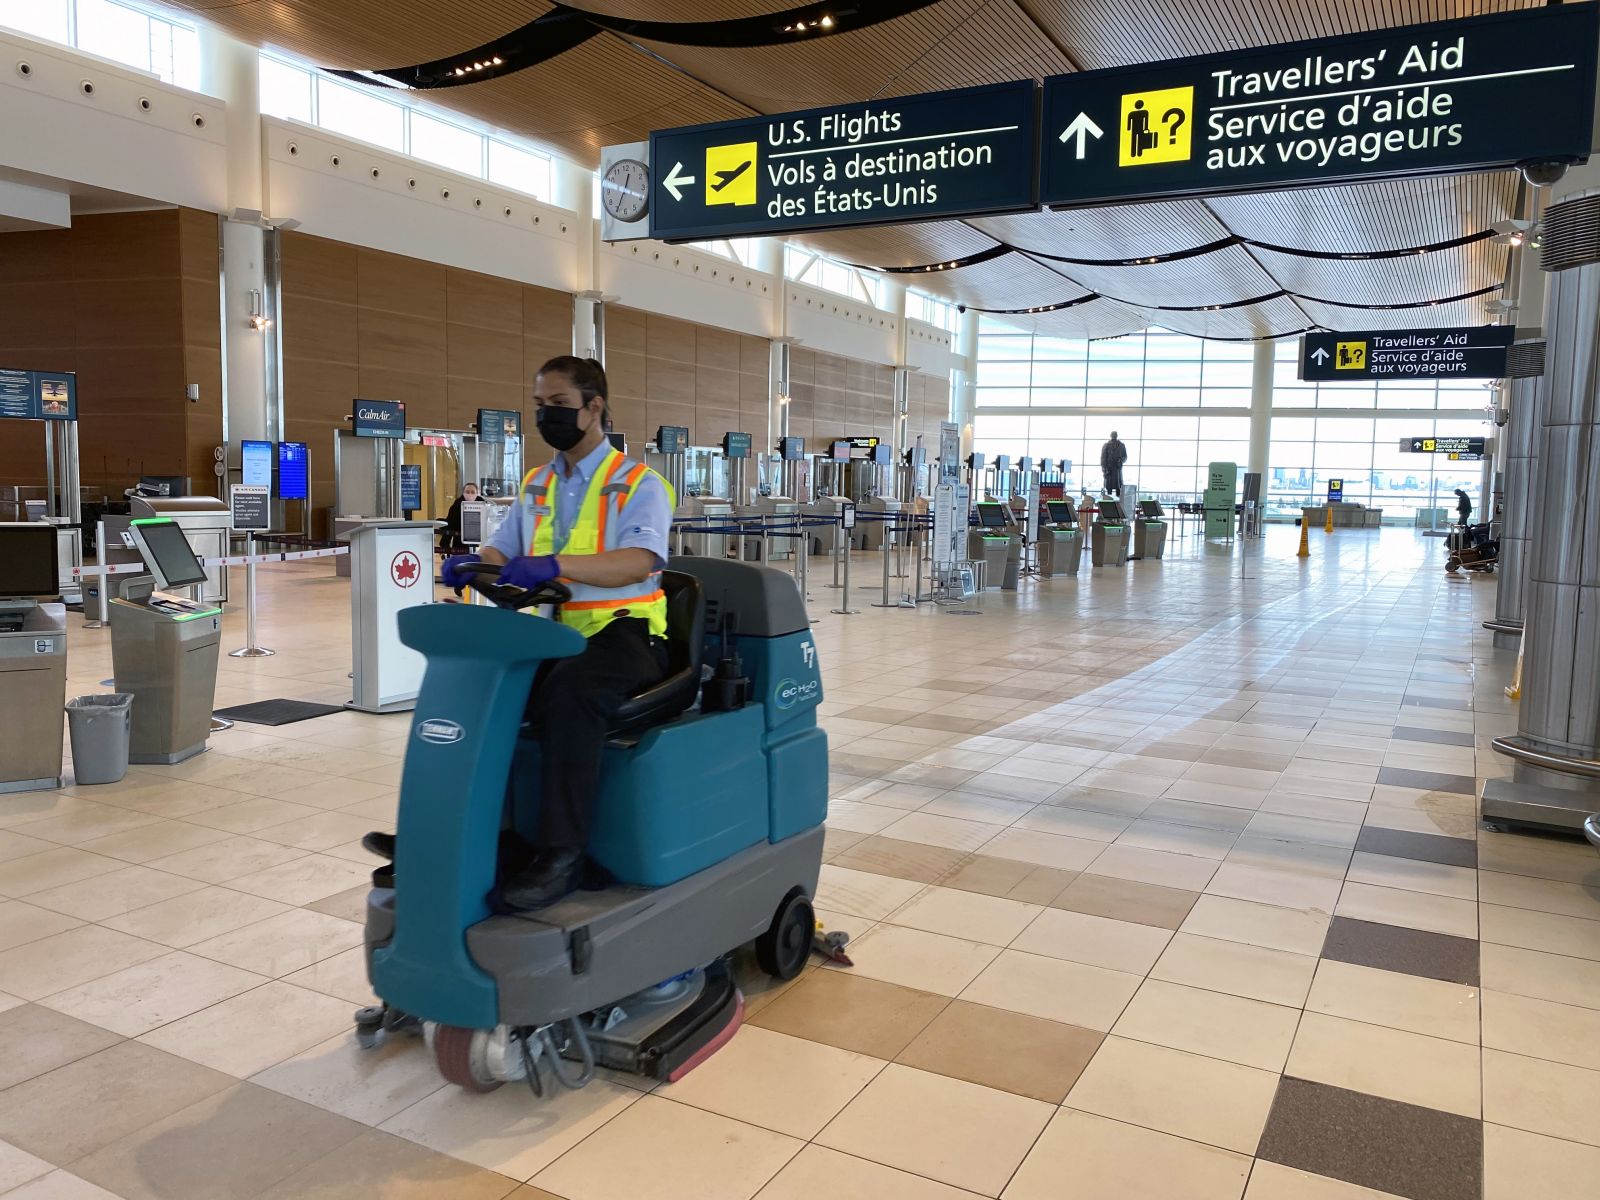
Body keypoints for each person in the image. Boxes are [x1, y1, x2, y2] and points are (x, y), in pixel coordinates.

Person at [366, 356, 673, 910]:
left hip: (626, 637)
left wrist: (556, 565)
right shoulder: (536, 485)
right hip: (552, 635)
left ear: (594, 406)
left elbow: (637, 561)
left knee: (571, 694)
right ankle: (459, 836)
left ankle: (563, 853)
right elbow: (502, 549)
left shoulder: (638, 484)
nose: (546, 416)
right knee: (480, 690)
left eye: (558, 405)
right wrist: (472, 563)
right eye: (540, 406)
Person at [440, 481, 480, 556]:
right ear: (463, 493)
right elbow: (450, 524)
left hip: (477, 541)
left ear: (477, 493)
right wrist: (444, 545)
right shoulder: (456, 506)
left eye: (472, 492)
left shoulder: (482, 504)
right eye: (467, 492)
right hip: (459, 541)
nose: (470, 494)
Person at [1100, 432, 1127, 496]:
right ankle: (1109, 499)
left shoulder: (1121, 445)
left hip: (1117, 468)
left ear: (1117, 436)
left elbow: (1125, 456)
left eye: (1115, 435)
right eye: (1112, 435)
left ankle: (1118, 501)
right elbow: (1103, 457)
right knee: (1109, 487)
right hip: (1109, 468)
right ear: (1110, 436)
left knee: (1118, 487)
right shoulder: (1106, 445)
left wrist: (1121, 460)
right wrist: (1104, 468)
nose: (1114, 436)